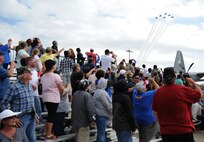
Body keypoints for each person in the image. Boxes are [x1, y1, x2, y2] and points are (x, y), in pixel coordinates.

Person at [152, 67, 203, 142]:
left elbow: (155, 111)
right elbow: (200, 95)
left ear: (163, 78)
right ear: (174, 77)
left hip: (166, 132)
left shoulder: (158, 92)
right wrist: (192, 82)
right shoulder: (183, 90)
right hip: (184, 131)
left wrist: (161, 124)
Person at [0, 67, 37, 142]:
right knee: (20, 139)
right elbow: (4, 103)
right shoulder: (14, 87)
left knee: (32, 139)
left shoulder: (29, 85)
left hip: (31, 115)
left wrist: (35, 115)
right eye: (29, 73)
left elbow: (31, 102)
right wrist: (13, 117)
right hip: (20, 118)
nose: (31, 74)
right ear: (24, 75)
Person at [41, 59, 64, 139]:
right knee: (52, 116)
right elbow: (61, 88)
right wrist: (61, 95)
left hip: (45, 97)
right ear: (52, 66)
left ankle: (45, 132)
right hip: (53, 97)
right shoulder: (55, 76)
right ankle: (48, 134)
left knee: (50, 115)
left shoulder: (43, 76)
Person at [94, 77, 112, 142]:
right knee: (101, 133)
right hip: (102, 115)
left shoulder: (97, 91)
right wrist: (112, 113)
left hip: (98, 114)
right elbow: (108, 105)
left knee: (100, 132)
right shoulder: (103, 93)